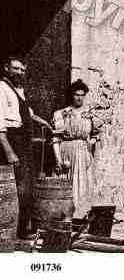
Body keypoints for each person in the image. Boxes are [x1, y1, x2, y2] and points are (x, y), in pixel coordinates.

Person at [0, 56, 52, 240]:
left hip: (24, 142)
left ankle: (23, 227)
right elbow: (0, 127)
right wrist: (9, 152)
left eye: (22, 70)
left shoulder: (19, 91)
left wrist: (44, 122)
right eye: (15, 69)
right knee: (18, 188)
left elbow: (28, 114)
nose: (19, 73)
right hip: (12, 140)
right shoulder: (1, 89)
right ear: (6, 68)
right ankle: (17, 231)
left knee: (27, 186)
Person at [51, 79, 101, 217]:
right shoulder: (61, 114)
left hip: (84, 153)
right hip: (67, 151)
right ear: (71, 95)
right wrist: (58, 160)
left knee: (83, 185)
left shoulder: (89, 114)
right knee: (67, 184)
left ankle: (81, 216)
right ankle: (66, 217)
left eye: (82, 95)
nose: (79, 98)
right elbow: (56, 139)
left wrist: (91, 141)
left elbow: (96, 134)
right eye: (76, 94)